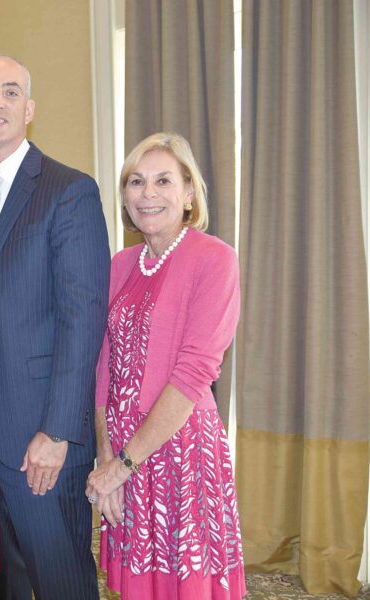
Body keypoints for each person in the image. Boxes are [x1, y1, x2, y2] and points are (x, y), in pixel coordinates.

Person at [0, 56, 110, 599]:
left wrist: (57, 432)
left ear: (29, 109)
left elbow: (84, 319)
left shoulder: (69, 190)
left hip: (42, 436)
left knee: (61, 584)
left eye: (11, 92)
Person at [86, 132, 245, 599]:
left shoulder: (215, 259)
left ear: (189, 192)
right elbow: (101, 370)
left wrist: (123, 465)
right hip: (123, 455)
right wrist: (107, 459)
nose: (147, 193)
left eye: (163, 181)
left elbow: (193, 374)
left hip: (180, 453)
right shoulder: (119, 265)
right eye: (135, 181)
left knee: (184, 585)